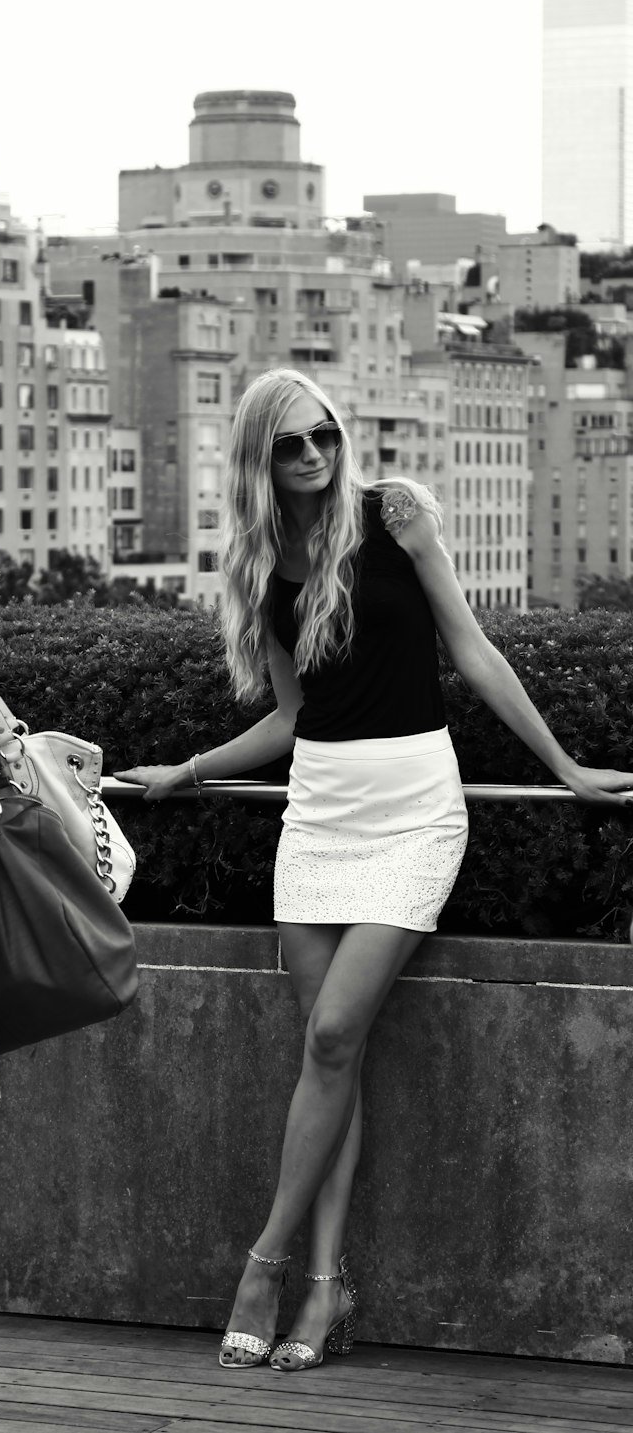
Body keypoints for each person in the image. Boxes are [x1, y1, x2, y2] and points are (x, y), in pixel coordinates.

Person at [116, 366, 633, 1374]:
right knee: (327, 1056)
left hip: (412, 811)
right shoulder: (263, 568)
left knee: (336, 1032)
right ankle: (324, 1288)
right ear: (260, 460)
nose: (312, 457)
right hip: (318, 815)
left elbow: (473, 651)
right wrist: (183, 770)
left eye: (322, 437)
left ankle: (263, 1266)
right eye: (289, 446)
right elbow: (288, 717)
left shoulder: (394, 519)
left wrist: (565, 767)